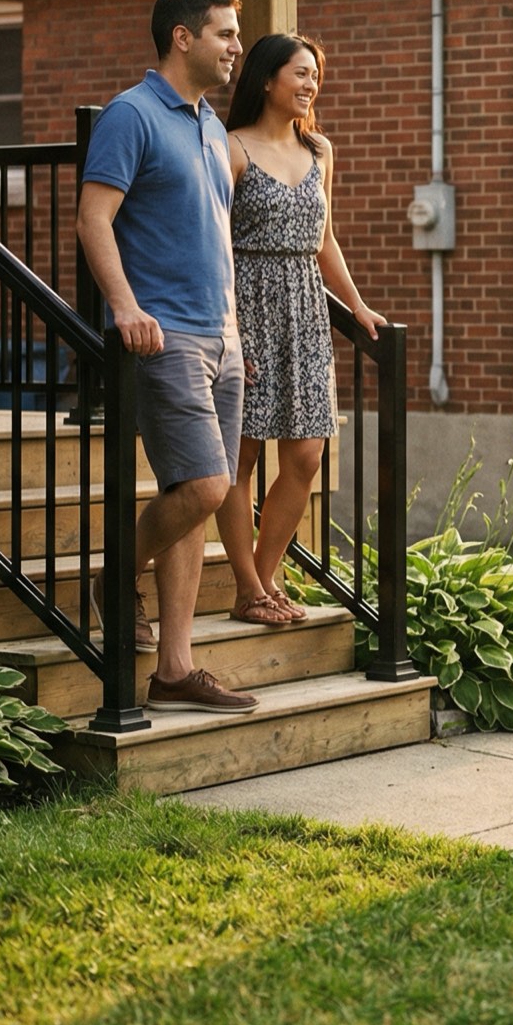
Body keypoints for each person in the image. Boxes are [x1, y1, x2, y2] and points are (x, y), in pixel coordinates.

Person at [75, 0, 258, 714]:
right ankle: (113, 576)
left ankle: (175, 669)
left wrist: (237, 328)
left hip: (222, 336)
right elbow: (94, 218)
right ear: (183, 37)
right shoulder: (132, 115)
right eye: (225, 33)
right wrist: (125, 306)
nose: (237, 47)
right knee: (205, 487)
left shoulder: (211, 125)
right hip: (167, 336)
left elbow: (212, 234)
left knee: (192, 493)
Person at [212, 33, 383, 627]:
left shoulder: (319, 150)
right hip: (247, 305)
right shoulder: (232, 147)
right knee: (241, 458)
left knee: (306, 456)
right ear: (267, 79)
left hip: (306, 312)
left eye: (315, 74)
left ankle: (264, 578)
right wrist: (229, 330)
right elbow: (215, 245)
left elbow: (324, 238)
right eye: (300, 73)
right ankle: (248, 588)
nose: (311, 84)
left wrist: (357, 306)